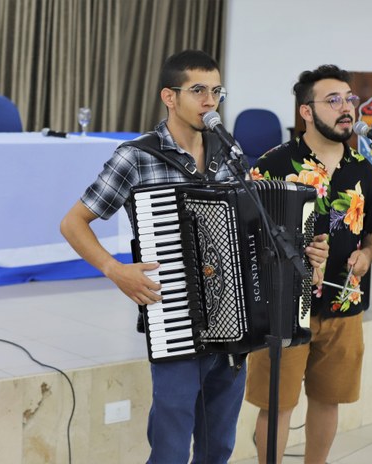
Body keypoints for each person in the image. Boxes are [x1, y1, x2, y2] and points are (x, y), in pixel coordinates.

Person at [60, 50, 328, 463]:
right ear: (169, 97)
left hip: (235, 326)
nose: (210, 101)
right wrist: (114, 269)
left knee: (218, 447)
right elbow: (73, 223)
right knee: (170, 449)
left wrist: (306, 251)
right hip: (176, 321)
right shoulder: (136, 156)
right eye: (199, 90)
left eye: (217, 91)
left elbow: (256, 230)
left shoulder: (230, 153)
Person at [246, 64, 372, 464]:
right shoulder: (272, 165)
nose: (346, 108)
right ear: (306, 112)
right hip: (284, 308)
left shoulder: (362, 168)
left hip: (345, 304)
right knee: (276, 405)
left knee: (329, 400)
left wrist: (367, 255)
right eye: (333, 100)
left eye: (349, 99)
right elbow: (246, 236)